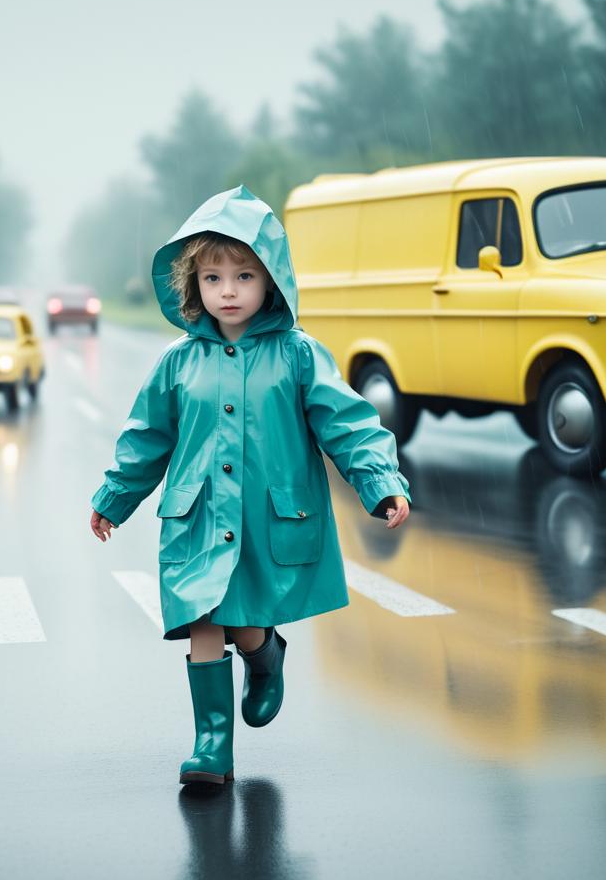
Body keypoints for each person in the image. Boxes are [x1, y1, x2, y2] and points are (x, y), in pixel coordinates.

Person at [90, 186, 411, 786]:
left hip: (269, 516)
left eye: (244, 275)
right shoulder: (177, 364)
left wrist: (380, 483)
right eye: (213, 278)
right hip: (198, 516)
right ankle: (212, 744)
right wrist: (114, 498)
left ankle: (264, 655)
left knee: (243, 618)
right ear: (195, 287)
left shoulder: (298, 355)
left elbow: (347, 423)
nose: (229, 291)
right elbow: (146, 438)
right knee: (203, 616)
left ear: (272, 282)